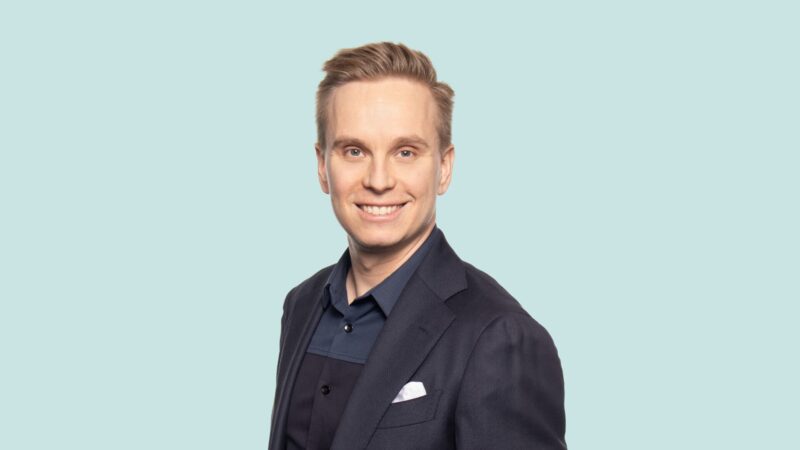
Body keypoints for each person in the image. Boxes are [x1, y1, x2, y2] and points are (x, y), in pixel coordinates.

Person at [268, 41, 567, 450]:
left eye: (405, 152)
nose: (378, 180)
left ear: (444, 168)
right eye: (354, 151)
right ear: (322, 167)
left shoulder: (499, 336)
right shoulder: (301, 304)